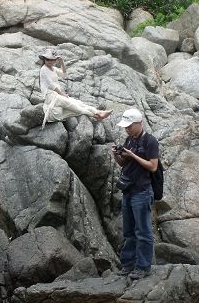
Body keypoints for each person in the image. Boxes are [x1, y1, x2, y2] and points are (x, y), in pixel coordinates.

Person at [111, 108, 159, 280]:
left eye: (130, 126)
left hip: (142, 191)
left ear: (140, 123)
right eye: (125, 127)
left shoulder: (150, 141)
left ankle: (143, 267)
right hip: (128, 190)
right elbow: (123, 164)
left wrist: (132, 155)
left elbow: (153, 166)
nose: (127, 129)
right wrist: (117, 155)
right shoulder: (129, 140)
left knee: (143, 231)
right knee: (129, 231)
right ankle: (128, 265)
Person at [38, 49, 113, 128]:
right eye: (47, 59)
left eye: (52, 60)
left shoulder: (53, 68)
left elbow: (64, 74)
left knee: (78, 103)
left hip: (57, 94)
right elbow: (51, 85)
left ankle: (99, 113)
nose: (49, 61)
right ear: (44, 59)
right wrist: (62, 94)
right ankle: (97, 115)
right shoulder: (43, 69)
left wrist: (62, 62)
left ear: (54, 60)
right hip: (50, 95)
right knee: (74, 106)